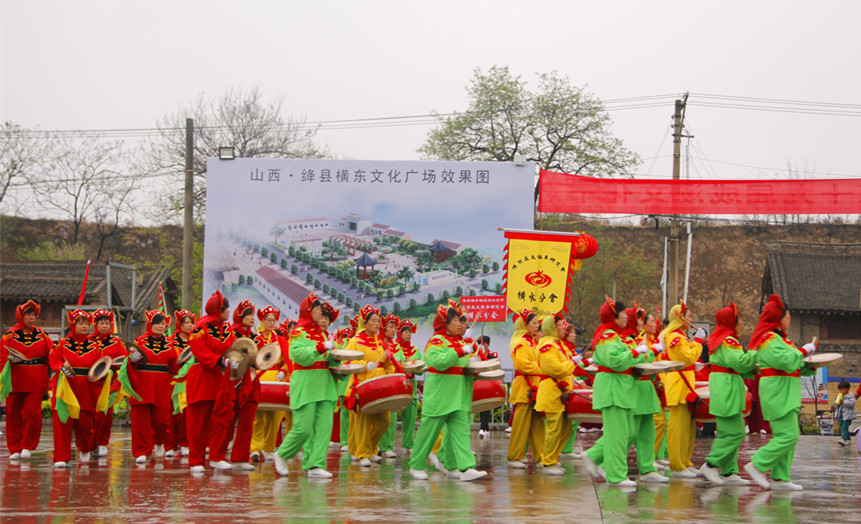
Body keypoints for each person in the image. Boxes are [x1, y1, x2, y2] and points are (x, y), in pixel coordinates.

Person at [409, 299, 487, 482]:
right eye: (456, 321)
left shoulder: (459, 342)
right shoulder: (437, 341)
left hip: (459, 395)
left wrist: (474, 368)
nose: (460, 324)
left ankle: (462, 467)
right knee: (429, 432)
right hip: (440, 395)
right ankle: (416, 465)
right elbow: (438, 362)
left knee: (460, 433)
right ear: (446, 323)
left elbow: (464, 368)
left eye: (461, 321)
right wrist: (460, 352)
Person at [744, 294, 816, 491]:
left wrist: (809, 364)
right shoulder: (769, 339)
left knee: (788, 436)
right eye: (787, 315)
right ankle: (758, 464)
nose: (789, 318)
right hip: (778, 392)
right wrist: (804, 350)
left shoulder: (781, 340)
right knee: (789, 435)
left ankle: (780, 477)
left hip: (786, 392)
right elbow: (784, 361)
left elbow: (793, 363)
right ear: (778, 318)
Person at [581, 298, 649, 487]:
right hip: (613, 388)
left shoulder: (614, 335)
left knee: (624, 433)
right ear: (614, 315)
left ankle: (603, 463)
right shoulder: (607, 336)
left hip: (620, 388)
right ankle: (616, 475)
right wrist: (636, 353)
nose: (626, 317)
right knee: (617, 435)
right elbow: (615, 360)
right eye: (622, 313)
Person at [274, 294, 339, 478]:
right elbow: (297, 355)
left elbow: (328, 357)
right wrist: (320, 348)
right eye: (317, 309)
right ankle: (282, 453)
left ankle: (314, 464)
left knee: (324, 426)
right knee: (304, 428)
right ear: (308, 311)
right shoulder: (298, 332)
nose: (321, 312)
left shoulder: (323, 333)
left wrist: (338, 361)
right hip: (306, 383)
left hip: (325, 383)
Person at [698, 302, 756, 485]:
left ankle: (728, 471)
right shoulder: (728, 340)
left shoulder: (721, 338)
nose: (741, 323)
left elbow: (732, 365)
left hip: (724, 384)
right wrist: (754, 352)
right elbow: (738, 362)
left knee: (727, 433)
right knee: (737, 432)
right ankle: (711, 464)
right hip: (727, 387)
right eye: (739, 319)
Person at [185, 290, 238, 473]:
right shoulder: (199, 329)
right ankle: (196, 460)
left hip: (222, 377)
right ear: (218, 310)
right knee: (198, 422)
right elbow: (200, 351)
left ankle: (217, 456)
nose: (229, 312)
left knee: (223, 418)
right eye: (226, 309)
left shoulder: (227, 329)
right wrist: (218, 360)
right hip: (203, 376)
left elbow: (233, 348)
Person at [48, 309, 108, 467]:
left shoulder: (94, 346)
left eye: (86, 323)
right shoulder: (62, 344)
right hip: (66, 385)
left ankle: (85, 449)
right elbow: (54, 360)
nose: (84, 326)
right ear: (72, 325)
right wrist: (61, 368)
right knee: (63, 421)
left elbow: (100, 364)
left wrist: (103, 373)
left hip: (85, 387)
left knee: (85, 424)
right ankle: (61, 456)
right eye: (80, 323)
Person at [344, 305, 396, 466]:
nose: (376, 323)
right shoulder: (355, 341)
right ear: (364, 323)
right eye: (373, 320)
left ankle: (372, 448)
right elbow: (347, 362)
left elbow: (389, 363)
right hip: (362, 385)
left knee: (383, 422)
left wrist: (390, 373)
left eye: (377, 320)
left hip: (380, 388)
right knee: (363, 422)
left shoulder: (380, 342)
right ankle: (363, 453)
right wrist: (365, 364)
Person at [0, 300, 52, 460]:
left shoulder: (42, 335)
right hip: (16, 376)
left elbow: (52, 354)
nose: (31, 318)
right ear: (20, 316)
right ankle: (14, 447)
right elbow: (2, 359)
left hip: (36, 376)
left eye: (33, 315)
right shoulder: (9, 335)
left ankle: (28, 445)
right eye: (28, 315)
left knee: (32, 413)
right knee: (13, 413)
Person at [127, 311, 180, 463]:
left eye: (163, 323)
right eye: (157, 323)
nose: (160, 326)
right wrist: (131, 361)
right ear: (150, 324)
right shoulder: (138, 342)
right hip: (141, 384)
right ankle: (141, 451)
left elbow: (175, 365)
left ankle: (159, 441)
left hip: (162, 385)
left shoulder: (170, 345)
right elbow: (127, 366)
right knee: (140, 421)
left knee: (162, 421)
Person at [660, 301, 704, 478]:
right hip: (679, 384)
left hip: (686, 383)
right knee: (678, 428)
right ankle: (676, 465)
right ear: (679, 317)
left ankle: (685, 461)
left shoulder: (683, 336)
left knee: (689, 427)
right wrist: (698, 342)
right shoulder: (674, 336)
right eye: (689, 316)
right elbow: (687, 357)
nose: (691, 319)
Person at [623, 306, 667, 484]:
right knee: (629, 432)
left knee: (648, 429)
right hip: (635, 388)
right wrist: (653, 351)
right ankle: (601, 458)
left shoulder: (640, 340)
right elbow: (637, 361)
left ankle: (648, 467)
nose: (644, 323)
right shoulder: (630, 340)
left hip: (647, 386)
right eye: (641, 319)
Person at [221, 300, 261, 470]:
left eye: (253, 314)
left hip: (251, 380)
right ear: (240, 316)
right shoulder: (229, 334)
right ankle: (219, 455)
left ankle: (241, 458)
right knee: (227, 420)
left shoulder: (256, 337)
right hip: (233, 379)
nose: (252, 317)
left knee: (247, 420)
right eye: (248, 314)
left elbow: (261, 360)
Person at [535, 314, 575, 475]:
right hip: (551, 391)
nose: (562, 328)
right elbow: (556, 369)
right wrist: (573, 363)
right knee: (553, 428)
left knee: (566, 427)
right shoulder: (547, 346)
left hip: (560, 391)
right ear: (551, 328)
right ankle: (547, 461)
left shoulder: (557, 345)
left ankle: (552, 457)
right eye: (558, 325)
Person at [249, 306, 291, 462]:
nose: (272, 322)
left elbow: (287, 361)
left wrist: (283, 371)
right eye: (269, 319)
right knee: (257, 415)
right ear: (262, 320)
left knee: (274, 416)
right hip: (259, 379)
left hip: (276, 380)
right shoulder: (255, 338)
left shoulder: (280, 340)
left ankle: (268, 447)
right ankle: (255, 447)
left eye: (274, 320)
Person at [506, 309, 545, 469]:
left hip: (535, 386)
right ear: (525, 325)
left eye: (537, 323)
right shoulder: (521, 343)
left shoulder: (533, 342)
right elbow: (522, 365)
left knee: (537, 425)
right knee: (520, 425)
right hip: (524, 387)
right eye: (534, 323)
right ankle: (514, 456)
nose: (537, 326)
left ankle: (541, 457)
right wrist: (543, 368)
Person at [89, 308, 127, 457]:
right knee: (91, 413)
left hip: (110, 381)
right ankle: (90, 442)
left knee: (106, 414)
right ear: (95, 324)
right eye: (101, 323)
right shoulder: (88, 341)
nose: (105, 326)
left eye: (107, 323)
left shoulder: (116, 342)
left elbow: (123, 359)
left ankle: (103, 442)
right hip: (92, 381)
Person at [165, 309, 195, 458]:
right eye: (186, 323)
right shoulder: (170, 342)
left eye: (191, 323)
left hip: (191, 381)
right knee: (172, 413)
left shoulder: (196, 340)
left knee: (186, 414)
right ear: (179, 324)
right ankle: (170, 444)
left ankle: (184, 443)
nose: (189, 326)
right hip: (175, 381)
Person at [378, 313, 402, 459]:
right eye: (390, 327)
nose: (393, 330)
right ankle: (375, 446)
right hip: (380, 382)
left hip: (393, 384)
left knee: (391, 418)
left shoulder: (396, 346)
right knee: (379, 417)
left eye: (394, 328)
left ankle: (387, 446)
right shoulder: (378, 343)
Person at [395, 318, 421, 450]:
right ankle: (385, 446)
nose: (408, 334)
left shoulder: (416, 350)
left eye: (410, 332)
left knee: (410, 416)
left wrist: (414, 367)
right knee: (390, 417)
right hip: (396, 384)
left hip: (411, 384)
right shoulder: (394, 347)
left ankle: (409, 443)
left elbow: (421, 369)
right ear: (399, 333)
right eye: (405, 331)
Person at [476, 335, 496, 440]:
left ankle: (483, 428)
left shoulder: (493, 356)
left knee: (486, 407)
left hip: (488, 383)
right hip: (478, 384)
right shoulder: (475, 356)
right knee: (480, 407)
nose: (481, 346)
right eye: (479, 343)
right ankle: (485, 428)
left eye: (483, 344)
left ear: (488, 344)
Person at [833, 380, 856, 447]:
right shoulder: (840, 396)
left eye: (843, 389)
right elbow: (835, 405)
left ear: (848, 389)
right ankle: (848, 440)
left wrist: (844, 401)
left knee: (844, 427)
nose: (841, 391)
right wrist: (835, 400)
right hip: (841, 415)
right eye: (840, 390)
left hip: (848, 415)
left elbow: (851, 404)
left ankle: (843, 439)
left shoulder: (851, 397)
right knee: (842, 426)